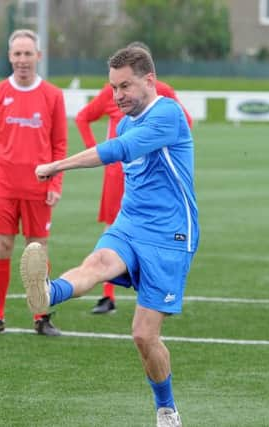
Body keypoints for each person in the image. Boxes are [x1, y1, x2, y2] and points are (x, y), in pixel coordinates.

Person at [20, 46, 198, 427]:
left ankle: (166, 408)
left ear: (149, 80)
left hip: (170, 234)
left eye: (126, 86)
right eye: (114, 88)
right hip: (130, 223)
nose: (117, 96)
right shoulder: (127, 120)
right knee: (97, 263)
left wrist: (57, 165)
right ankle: (47, 293)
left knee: (143, 336)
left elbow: (118, 150)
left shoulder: (167, 113)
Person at [75, 41, 193, 315]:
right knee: (112, 229)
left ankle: (154, 294)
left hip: (155, 178)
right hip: (117, 172)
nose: (120, 93)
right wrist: (94, 150)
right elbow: (83, 117)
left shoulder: (164, 95)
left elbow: (185, 123)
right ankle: (108, 295)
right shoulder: (111, 92)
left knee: (147, 234)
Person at [0, 29, 67, 336]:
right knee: (2, 247)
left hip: (39, 187)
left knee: (37, 251)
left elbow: (60, 145)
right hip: (4, 185)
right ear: (9, 57)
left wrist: (55, 184)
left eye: (28, 54)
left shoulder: (53, 95)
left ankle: (41, 315)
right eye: (17, 54)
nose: (22, 60)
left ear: (38, 56)